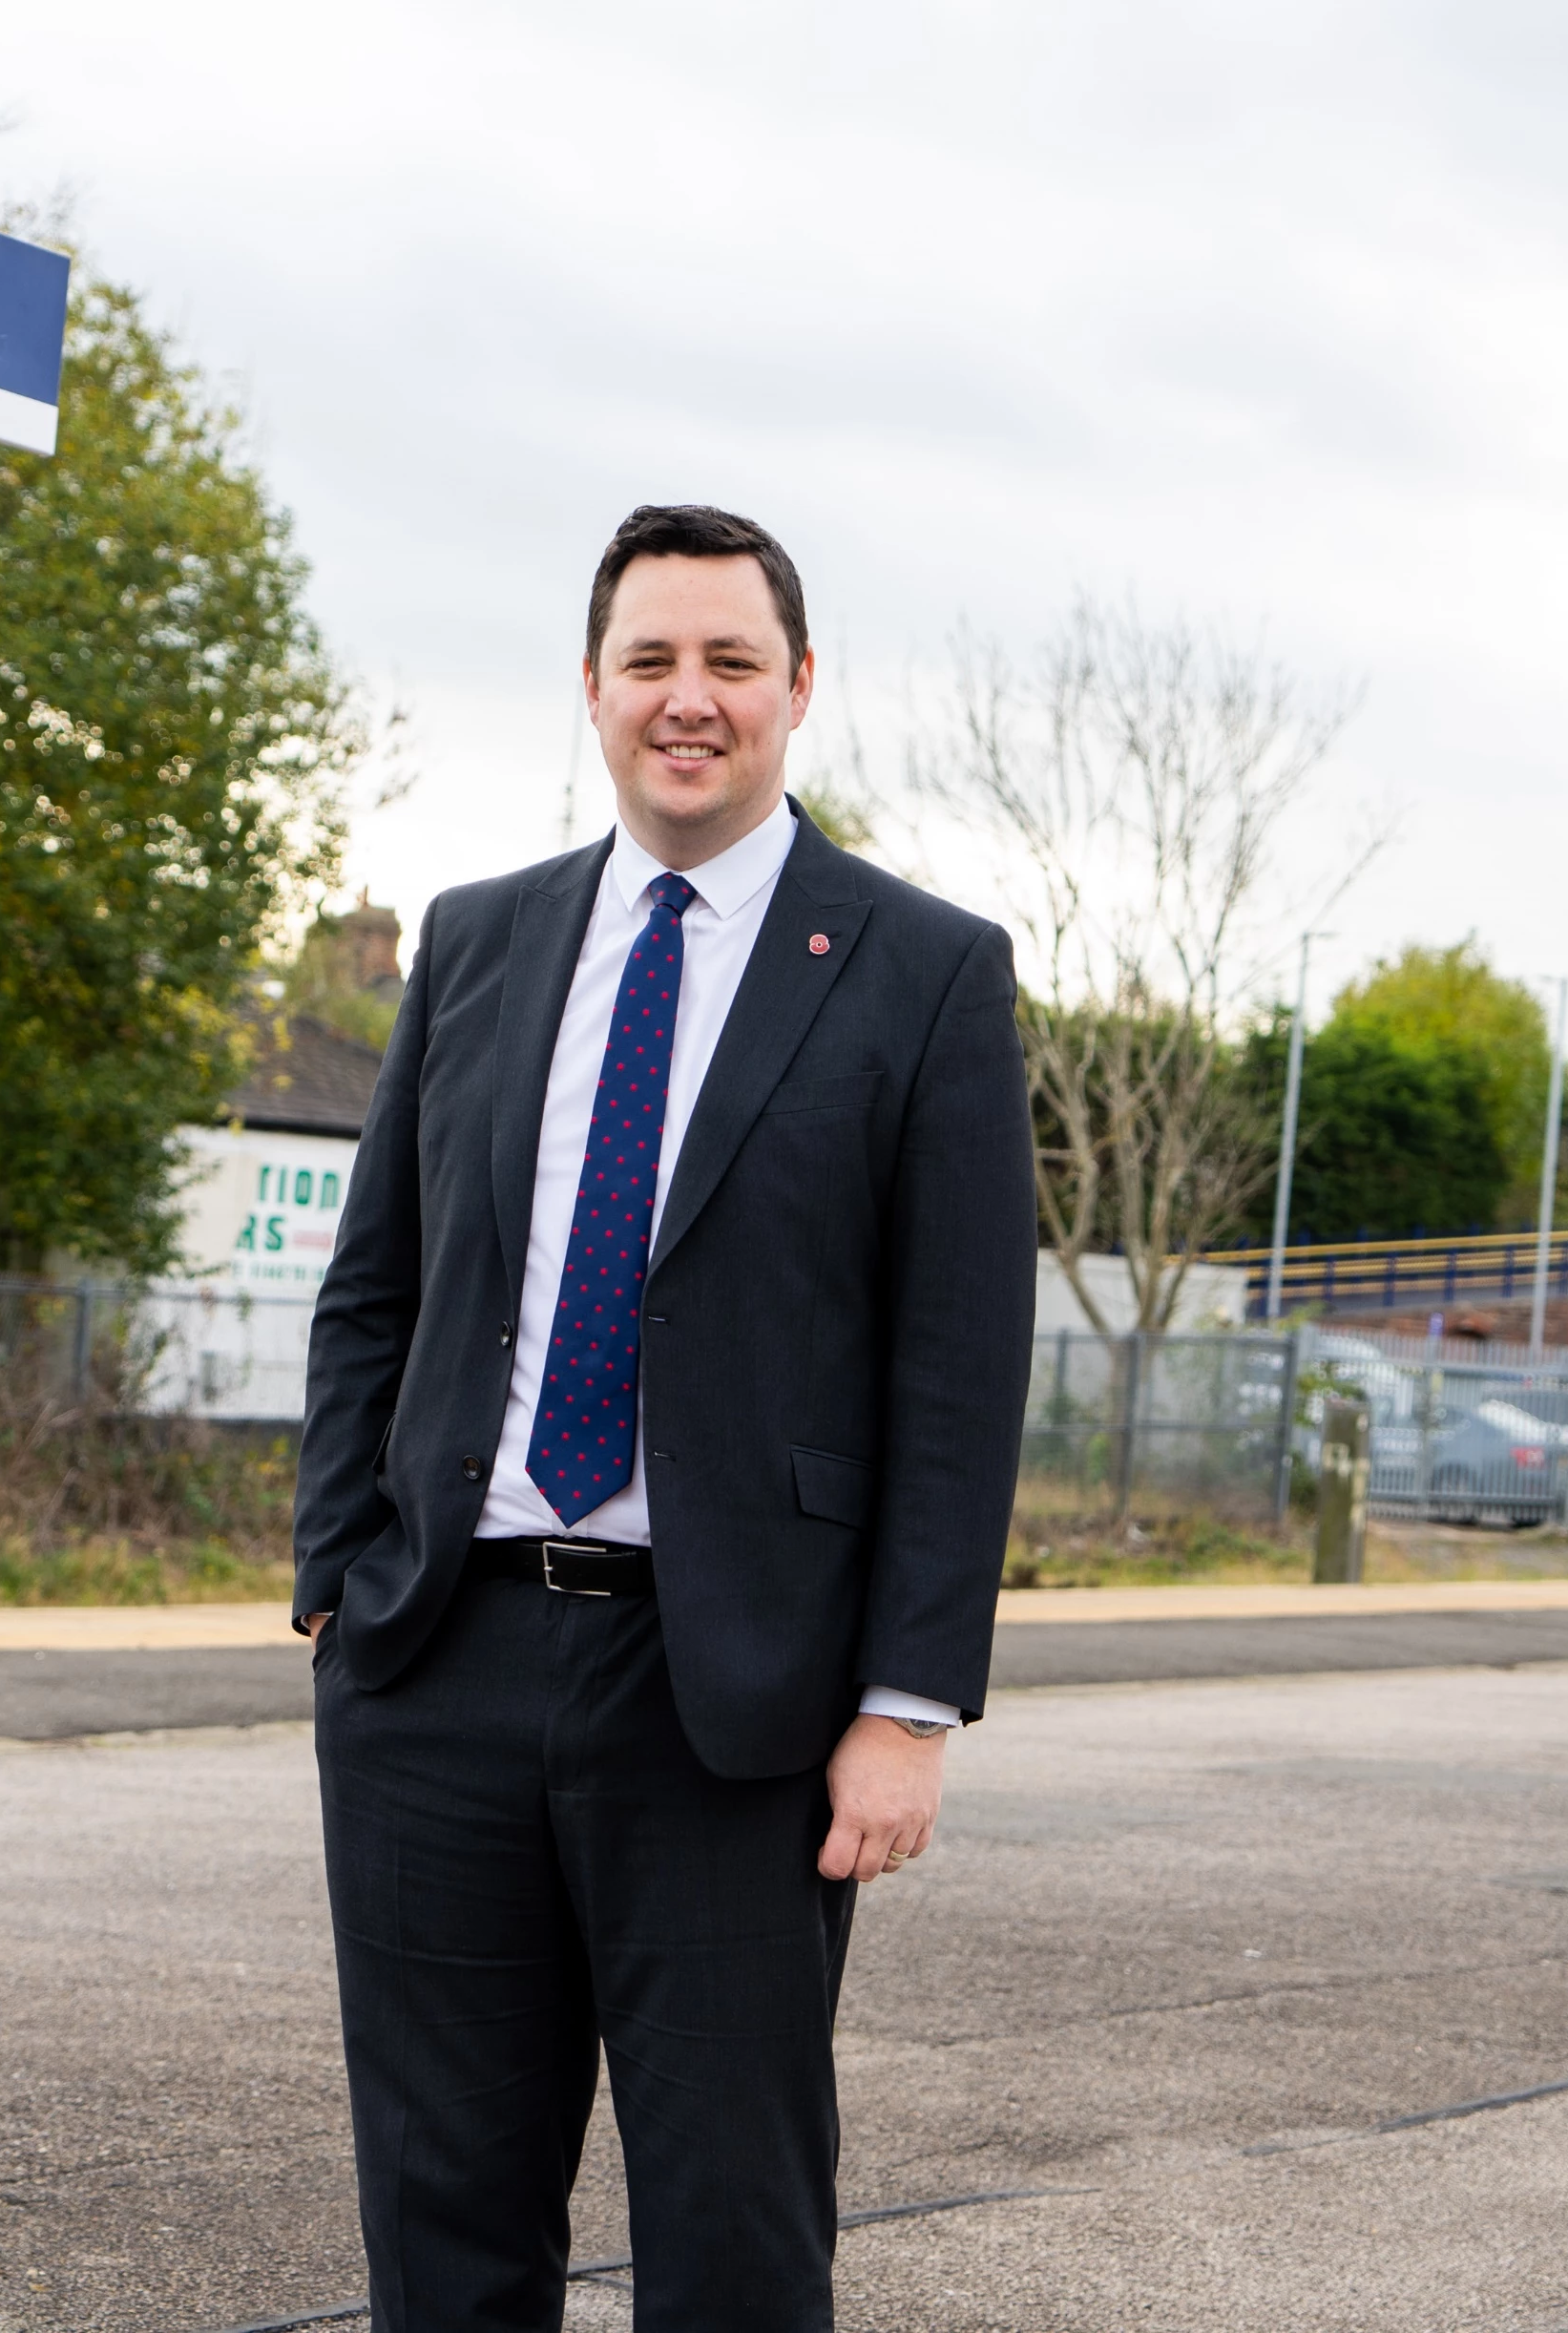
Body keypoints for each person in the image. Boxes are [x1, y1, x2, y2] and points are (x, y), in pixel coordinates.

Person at [291, 503, 1035, 2331]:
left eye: (726, 662)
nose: (684, 700)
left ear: (796, 689)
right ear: (593, 687)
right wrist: (337, 1578)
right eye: (649, 662)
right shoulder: (473, 942)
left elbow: (958, 1369)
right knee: (442, 2209)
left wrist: (907, 1707)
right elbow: (376, 1284)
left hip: (741, 1709)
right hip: (437, 1664)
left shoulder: (921, 968)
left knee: (731, 2230)